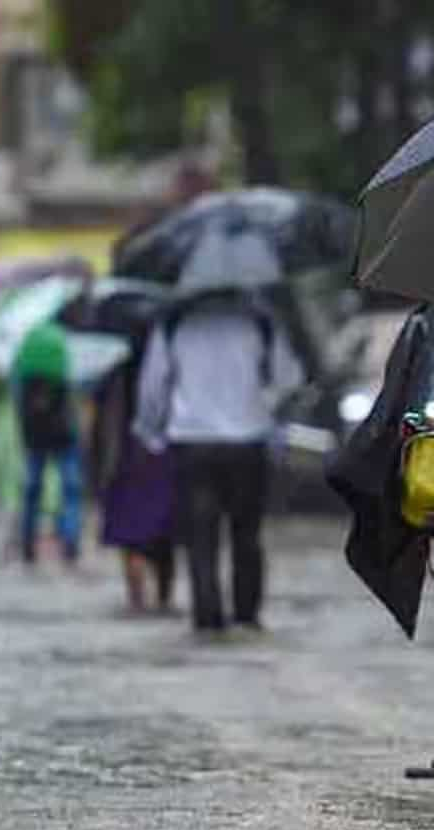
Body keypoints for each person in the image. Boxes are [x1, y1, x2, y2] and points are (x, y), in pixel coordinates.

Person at [134, 234, 304, 633]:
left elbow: (153, 386)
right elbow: (288, 378)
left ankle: (207, 618)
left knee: (200, 534)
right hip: (248, 439)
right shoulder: (260, 320)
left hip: (192, 442)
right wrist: (264, 403)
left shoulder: (175, 322)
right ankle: (246, 615)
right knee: (247, 533)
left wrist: (150, 432)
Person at [93, 353, 176, 616]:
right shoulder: (169, 357)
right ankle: (162, 600)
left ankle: (137, 601)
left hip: (127, 457)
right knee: (164, 534)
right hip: (162, 453)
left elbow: (101, 421)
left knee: (131, 537)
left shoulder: (114, 366)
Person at [14, 323, 83, 566]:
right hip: (64, 437)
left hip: (36, 438)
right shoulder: (65, 360)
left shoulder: (22, 367)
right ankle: (70, 543)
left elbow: (19, 409)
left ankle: (27, 542)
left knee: (32, 490)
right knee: (71, 490)